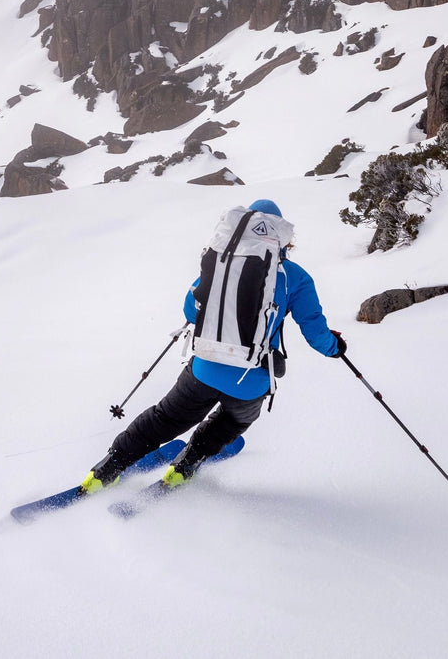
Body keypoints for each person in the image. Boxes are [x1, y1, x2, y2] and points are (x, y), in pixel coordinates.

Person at [81, 199, 345, 493]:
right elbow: (315, 331)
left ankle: (107, 470)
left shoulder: (222, 262)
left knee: (164, 419)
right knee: (233, 421)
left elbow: (190, 311)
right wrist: (335, 347)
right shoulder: (295, 277)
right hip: (251, 379)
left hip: (204, 367)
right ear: (281, 238)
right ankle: (185, 466)